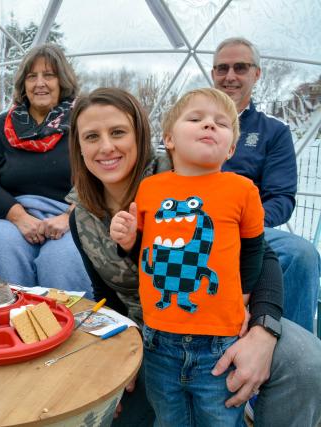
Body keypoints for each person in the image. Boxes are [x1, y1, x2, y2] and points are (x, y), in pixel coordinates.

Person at [68, 87, 321, 427]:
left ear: (143, 136)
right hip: (153, 336)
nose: (107, 146)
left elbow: (261, 255)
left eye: (118, 132)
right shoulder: (80, 215)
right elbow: (107, 297)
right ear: (79, 147)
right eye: (91, 136)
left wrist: (263, 328)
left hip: (217, 320)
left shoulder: (182, 172)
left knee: (305, 364)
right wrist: (113, 355)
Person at [110, 88, 264, 426]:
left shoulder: (242, 190)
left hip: (219, 343)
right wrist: (127, 240)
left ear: (232, 147)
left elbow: (254, 248)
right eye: (196, 119)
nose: (209, 125)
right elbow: (145, 251)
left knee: (219, 418)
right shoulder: (150, 188)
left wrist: (243, 297)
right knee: (169, 418)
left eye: (221, 124)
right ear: (169, 138)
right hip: (158, 338)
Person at [213, 37, 320, 332]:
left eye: (240, 67)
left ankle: (293, 356)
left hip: (247, 229)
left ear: (256, 74)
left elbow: (281, 199)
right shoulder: (192, 123)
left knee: (300, 254)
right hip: (191, 223)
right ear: (213, 74)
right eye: (222, 68)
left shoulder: (273, 131)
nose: (230, 76)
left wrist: (242, 224)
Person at [0, 43, 91, 295]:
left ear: (62, 81)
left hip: (69, 215)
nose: (40, 83)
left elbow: (101, 174)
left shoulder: (83, 121)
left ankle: (70, 328)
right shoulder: (3, 125)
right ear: (23, 84)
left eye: (49, 75)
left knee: (62, 261)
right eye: (31, 76)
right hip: (9, 215)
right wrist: (19, 217)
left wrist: (70, 218)